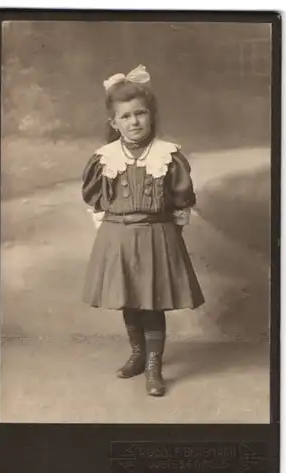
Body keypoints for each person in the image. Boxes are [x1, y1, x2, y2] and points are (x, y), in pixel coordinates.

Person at [82, 65, 204, 397]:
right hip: (117, 236)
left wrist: (171, 236)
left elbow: (181, 201)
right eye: (126, 117)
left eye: (141, 113)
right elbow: (96, 202)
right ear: (114, 123)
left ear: (151, 116)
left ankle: (154, 365)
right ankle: (137, 354)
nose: (134, 122)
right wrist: (110, 234)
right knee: (129, 300)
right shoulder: (104, 158)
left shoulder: (168, 155)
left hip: (156, 234)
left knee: (152, 303)